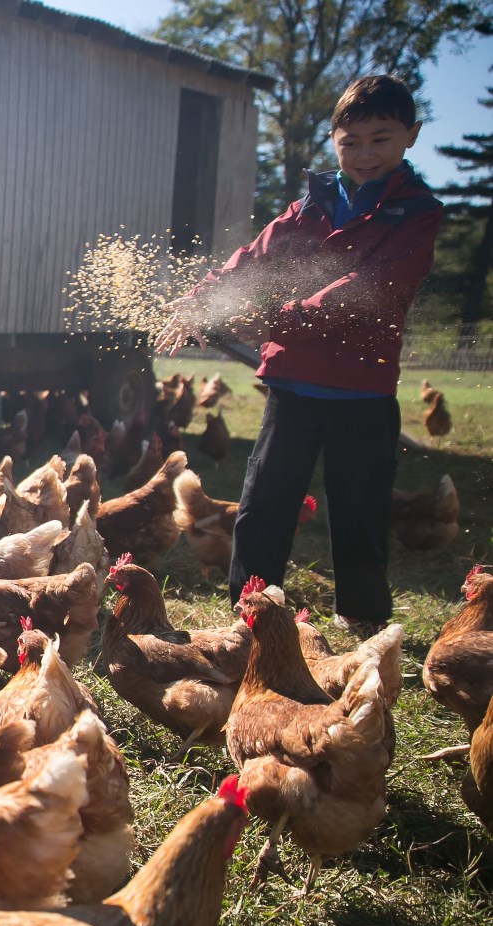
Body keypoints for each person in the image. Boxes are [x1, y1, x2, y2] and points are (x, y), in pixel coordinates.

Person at [158, 75, 443, 635]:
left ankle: (361, 615)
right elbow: (252, 260)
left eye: (380, 139)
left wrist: (277, 319)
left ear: (410, 136)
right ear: (333, 140)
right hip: (291, 386)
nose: (364, 154)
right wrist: (198, 302)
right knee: (265, 502)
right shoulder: (311, 204)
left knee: (360, 507)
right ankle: (251, 609)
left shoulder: (416, 213)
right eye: (350, 141)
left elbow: (371, 286)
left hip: (362, 389)